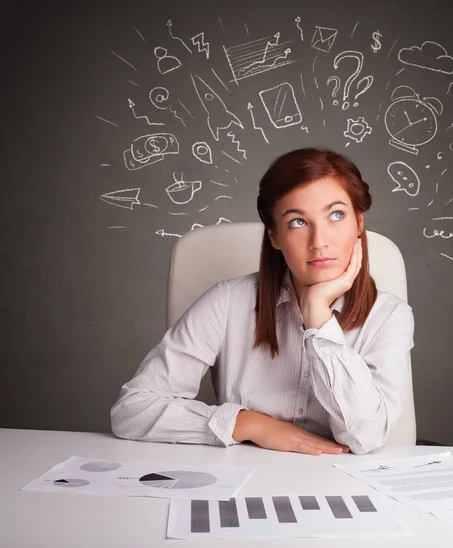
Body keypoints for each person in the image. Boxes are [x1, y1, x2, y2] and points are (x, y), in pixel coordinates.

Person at [110, 147, 414, 455]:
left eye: (336, 215)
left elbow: (366, 436)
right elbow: (132, 412)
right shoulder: (227, 302)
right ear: (274, 236)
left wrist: (318, 316)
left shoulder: (389, 316)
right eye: (298, 222)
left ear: (359, 223)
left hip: (344, 485)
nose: (319, 241)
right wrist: (252, 425)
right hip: (244, 480)